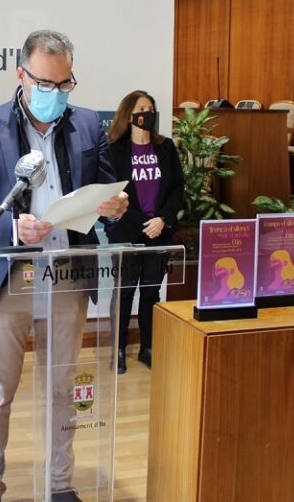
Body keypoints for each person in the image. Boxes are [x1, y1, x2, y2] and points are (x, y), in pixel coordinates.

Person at [0, 30, 128, 502]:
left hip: (67, 274)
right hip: (6, 277)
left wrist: (114, 204)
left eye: (65, 84)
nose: (56, 94)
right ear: (21, 75)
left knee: (61, 388)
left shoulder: (88, 124)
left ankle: (60, 484)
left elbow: (107, 189)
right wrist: (10, 228)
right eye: (46, 84)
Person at [104, 90, 185, 374]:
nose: (147, 113)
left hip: (159, 232)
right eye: (142, 108)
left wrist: (163, 219)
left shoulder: (165, 147)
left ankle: (147, 347)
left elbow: (177, 187)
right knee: (124, 293)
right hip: (127, 232)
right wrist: (142, 222)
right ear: (129, 114)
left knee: (151, 292)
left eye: (151, 108)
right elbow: (112, 194)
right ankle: (119, 350)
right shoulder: (114, 150)